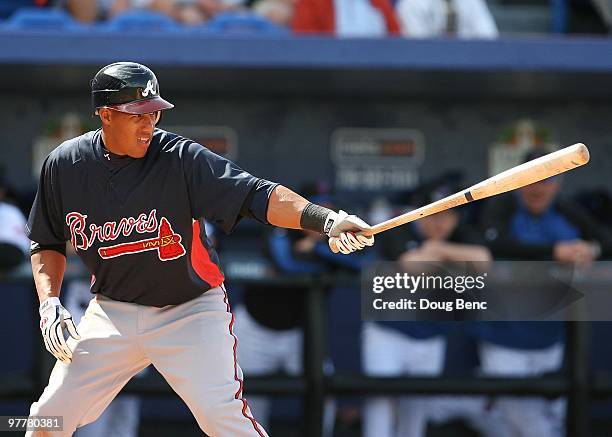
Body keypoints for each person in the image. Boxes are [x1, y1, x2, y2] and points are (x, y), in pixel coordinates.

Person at [25, 61, 374, 437]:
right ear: (106, 115)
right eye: (138, 114)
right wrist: (50, 304)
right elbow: (46, 240)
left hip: (189, 310)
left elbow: (256, 194)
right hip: (114, 312)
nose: (150, 123)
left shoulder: (179, 157)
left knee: (221, 418)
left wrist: (325, 221)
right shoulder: (65, 164)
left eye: (154, 112)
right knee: (47, 417)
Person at [473, 148, 612, 437]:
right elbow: (493, 245)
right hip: (505, 336)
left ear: (558, 183)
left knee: (552, 418)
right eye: (533, 179)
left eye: (548, 180)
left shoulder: (564, 208)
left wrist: (592, 249)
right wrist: (553, 252)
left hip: (551, 338)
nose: (539, 188)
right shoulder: (502, 206)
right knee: (523, 424)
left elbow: (604, 240)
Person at [362, 179, 491, 437]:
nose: (440, 222)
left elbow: (484, 261)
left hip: (431, 337)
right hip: (389, 334)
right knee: (380, 408)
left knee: (415, 415)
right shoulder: (399, 228)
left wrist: (439, 249)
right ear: (419, 212)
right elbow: (412, 264)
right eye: (434, 214)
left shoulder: (460, 234)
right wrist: (450, 257)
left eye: (448, 215)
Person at [292, 0, 400, 37]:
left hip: (380, 76)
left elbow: (396, 41)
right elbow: (306, 48)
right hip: (329, 79)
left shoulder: (379, 3)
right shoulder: (313, 3)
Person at [395, 0, 498, 39]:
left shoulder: (473, 2)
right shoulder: (412, 3)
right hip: (425, 75)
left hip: (471, 68)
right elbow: (419, 49)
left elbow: (489, 39)